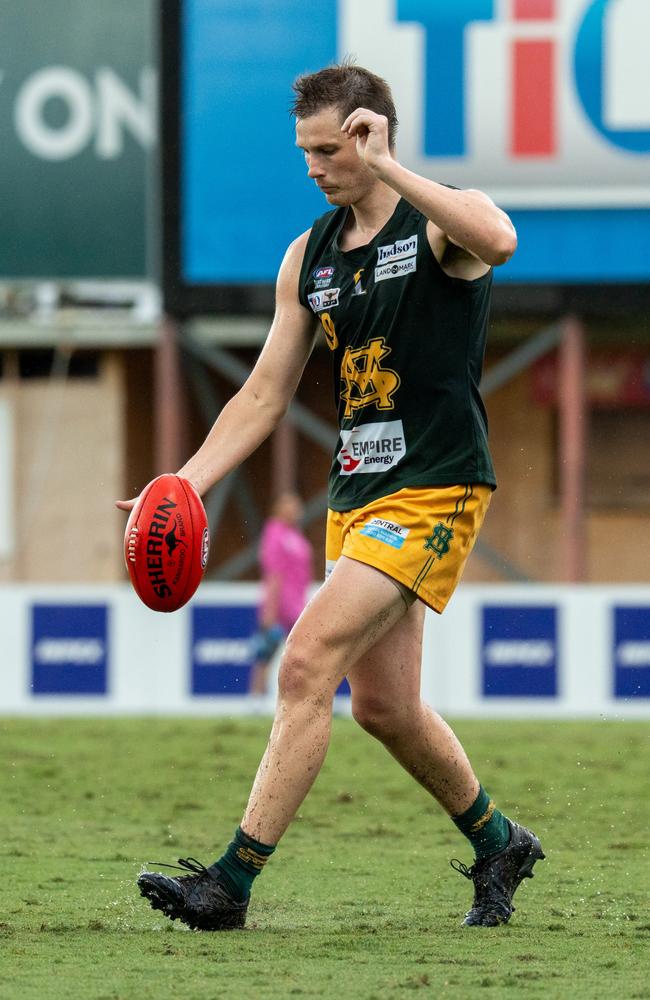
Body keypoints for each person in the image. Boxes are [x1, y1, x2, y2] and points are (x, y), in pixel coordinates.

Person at [118, 63, 544, 931]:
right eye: (305, 151)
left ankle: (229, 886)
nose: (314, 167)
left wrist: (388, 169)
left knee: (305, 662)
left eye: (328, 149)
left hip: (435, 488)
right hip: (359, 494)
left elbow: (499, 240)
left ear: (368, 135)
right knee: (385, 707)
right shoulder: (308, 256)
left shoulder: (437, 226)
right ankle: (499, 840)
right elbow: (265, 393)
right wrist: (182, 484)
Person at [249, 491, 313, 698]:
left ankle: (308, 697)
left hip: (297, 603)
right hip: (280, 605)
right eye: (289, 505)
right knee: (266, 653)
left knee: (304, 655)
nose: (294, 510)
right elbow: (273, 573)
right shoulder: (274, 533)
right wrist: (270, 612)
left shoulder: (295, 535)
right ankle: (256, 698)